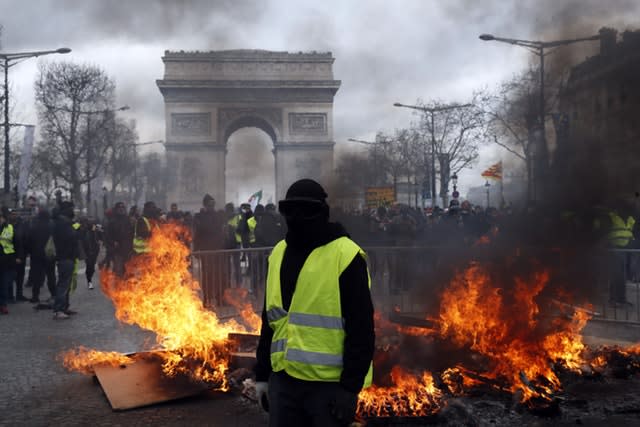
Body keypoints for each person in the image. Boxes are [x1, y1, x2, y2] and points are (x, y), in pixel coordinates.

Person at [254, 179, 375, 427]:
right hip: (283, 380)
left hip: (328, 387)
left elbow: (361, 327)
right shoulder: (278, 252)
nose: (296, 217)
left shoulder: (346, 254)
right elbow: (269, 321)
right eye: (289, 210)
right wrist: (262, 376)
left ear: (321, 211)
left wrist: (350, 388)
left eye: (305, 210)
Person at [52, 201, 79, 319]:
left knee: (66, 284)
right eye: (72, 209)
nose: (73, 211)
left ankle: (64, 307)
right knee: (63, 285)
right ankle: (58, 310)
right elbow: (70, 238)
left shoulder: (64, 223)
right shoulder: (62, 224)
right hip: (65, 257)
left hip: (68, 257)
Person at [0, 208, 24, 314]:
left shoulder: (10, 228)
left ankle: (3, 304)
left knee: (4, 284)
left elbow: (18, 244)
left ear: (4, 219)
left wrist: (19, 257)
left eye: (1, 217)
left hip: (7, 260)